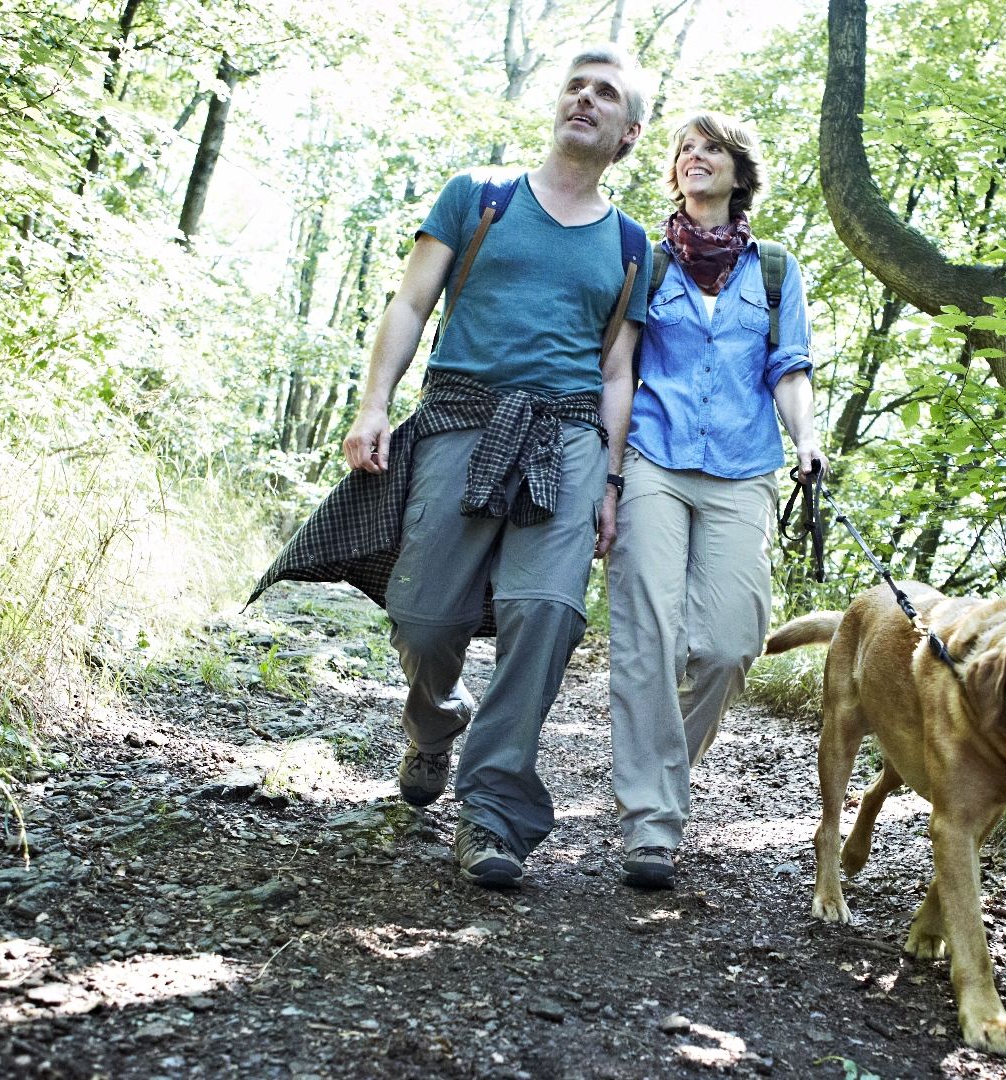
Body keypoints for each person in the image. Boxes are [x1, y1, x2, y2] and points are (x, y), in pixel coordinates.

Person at [249, 44, 652, 888]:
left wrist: (611, 481)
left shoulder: (628, 243)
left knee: (544, 613)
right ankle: (434, 725)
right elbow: (409, 301)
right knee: (427, 618)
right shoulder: (480, 197)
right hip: (462, 418)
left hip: (569, 437)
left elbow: (618, 373)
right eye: (574, 85)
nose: (583, 98)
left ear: (629, 132)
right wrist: (373, 406)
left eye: (605, 93)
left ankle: (492, 812)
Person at [608, 111, 823, 889]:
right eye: (685, 151)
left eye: (713, 150)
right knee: (649, 640)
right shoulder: (646, 260)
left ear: (740, 172)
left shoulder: (775, 270)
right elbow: (620, 368)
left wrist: (805, 438)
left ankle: (662, 766)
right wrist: (607, 469)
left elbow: (789, 368)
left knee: (733, 643)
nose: (696, 159)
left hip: (743, 466)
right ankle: (652, 822)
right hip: (653, 460)